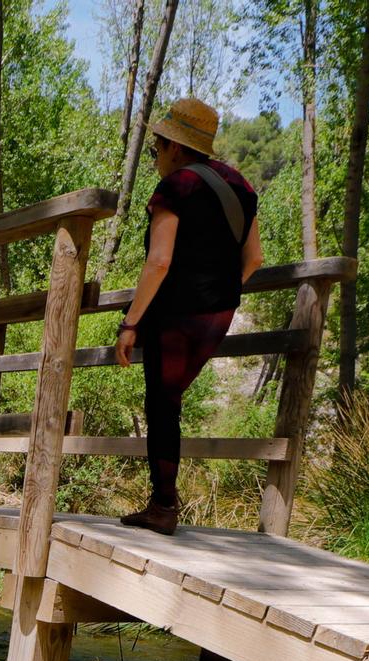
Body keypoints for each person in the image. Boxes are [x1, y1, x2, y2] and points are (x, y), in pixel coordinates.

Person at [112, 97, 264, 535]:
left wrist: (130, 323)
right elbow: (253, 259)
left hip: (176, 313)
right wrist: (217, 292)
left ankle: (163, 506)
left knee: (162, 404)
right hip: (218, 312)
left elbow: (158, 261)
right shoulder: (242, 186)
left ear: (176, 148)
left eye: (157, 147)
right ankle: (162, 502)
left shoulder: (176, 186)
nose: (156, 156)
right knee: (169, 400)